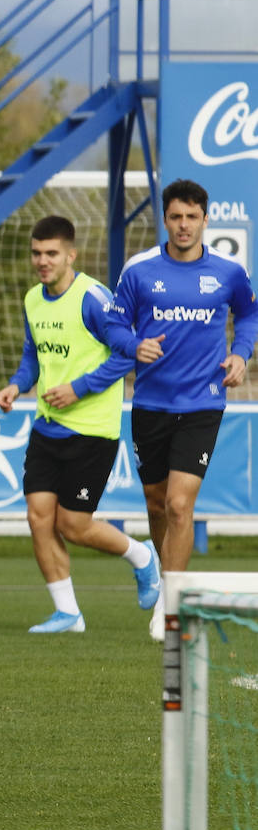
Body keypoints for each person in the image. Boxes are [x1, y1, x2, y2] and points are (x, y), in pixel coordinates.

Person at [105, 178, 258, 641]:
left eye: (193, 217)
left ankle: (170, 606)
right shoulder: (139, 270)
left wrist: (241, 354)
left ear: (205, 219)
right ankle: (160, 568)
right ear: (165, 220)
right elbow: (113, 323)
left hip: (203, 403)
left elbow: (248, 315)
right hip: (150, 403)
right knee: (155, 504)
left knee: (178, 504)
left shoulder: (229, 272)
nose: (184, 225)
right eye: (176, 217)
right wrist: (134, 345)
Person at [0, 216, 161, 633]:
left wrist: (78, 388)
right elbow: (34, 356)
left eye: (51, 253)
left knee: (74, 524)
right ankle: (68, 613)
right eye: (36, 253)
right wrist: (16, 386)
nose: (42, 261)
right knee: (38, 517)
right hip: (46, 426)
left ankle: (142, 557)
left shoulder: (93, 298)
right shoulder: (33, 298)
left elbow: (128, 353)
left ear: (71, 254)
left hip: (91, 429)